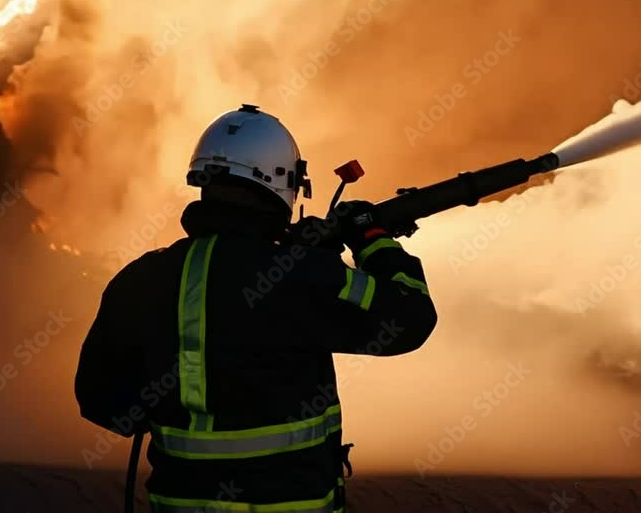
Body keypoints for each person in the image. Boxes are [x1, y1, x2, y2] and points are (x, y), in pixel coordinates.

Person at [75, 104, 438, 512]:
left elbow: (102, 402)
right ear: (282, 182)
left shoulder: (139, 279)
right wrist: (374, 240)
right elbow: (409, 319)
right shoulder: (300, 275)